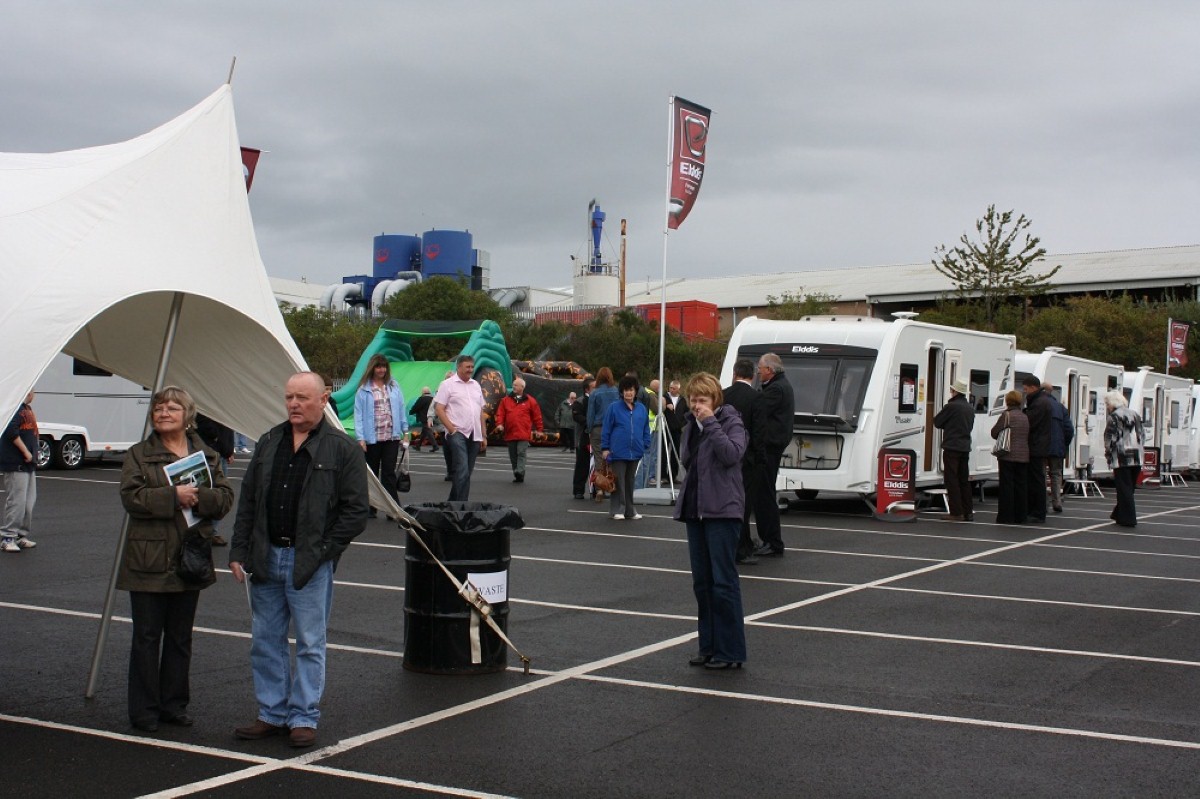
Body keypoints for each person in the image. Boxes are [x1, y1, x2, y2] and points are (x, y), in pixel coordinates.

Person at [229, 372, 369, 748]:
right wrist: (238, 551)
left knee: (309, 642)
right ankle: (272, 714)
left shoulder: (343, 449)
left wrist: (324, 551)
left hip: (309, 563)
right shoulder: (269, 442)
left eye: (302, 398)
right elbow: (249, 502)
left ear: (323, 399)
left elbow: (356, 512)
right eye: (289, 397)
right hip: (265, 557)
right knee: (266, 640)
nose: (293, 404)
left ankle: (303, 716)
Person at [118, 386, 234, 732]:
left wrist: (200, 499)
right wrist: (173, 495)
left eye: (171, 408)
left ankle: (174, 705)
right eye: (158, 408)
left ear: (188, 416)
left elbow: (226, 497)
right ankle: (143, 711)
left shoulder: (207, 455)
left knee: (181, 637)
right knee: (147, 637)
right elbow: (131, 497)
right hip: (148, 558)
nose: (163, 413)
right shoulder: (138, 455)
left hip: (190, 555)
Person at [674, 372, 748, 670]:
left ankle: (730, 651)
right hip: (696, 510)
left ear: (715, 400)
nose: (696, 405)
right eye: (693, 400)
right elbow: (687, 460)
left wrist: (711, 424)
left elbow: (731, 454)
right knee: (702, 583)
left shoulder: (731, 422)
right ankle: (708, 646)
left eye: (702, 400)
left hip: (723, 511)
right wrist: (694, 426)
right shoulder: (693, 424)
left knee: (723, 582)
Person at [751, 353, 795, 557]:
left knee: (764, 494)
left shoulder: (776, 389)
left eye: (760, 368)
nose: (758, 372)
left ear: (769, 370)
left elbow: (758, 408)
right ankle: (769, 539)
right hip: (773, 445)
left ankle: (772, 541)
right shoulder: (780, 386)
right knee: (764, 493)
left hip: (769, 446)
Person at [353, 354, 409, 512]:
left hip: (391, 436)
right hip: (372, 438)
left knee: (389, 473)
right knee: (372, 474)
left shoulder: (393, 386)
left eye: (384, 366)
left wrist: (405, 431)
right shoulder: (364, 389)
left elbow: (400, 408)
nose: (381, 370)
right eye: (378, 366)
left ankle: (394, 509)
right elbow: (358, 415)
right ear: (372, 368)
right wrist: (361, 438)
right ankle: (372, 506)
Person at [434, 355, 488, 501]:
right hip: (457, 432)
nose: (470, 370)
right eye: (467, 367)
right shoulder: (447, 385)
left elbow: (480, 412)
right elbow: (439, 408)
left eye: (472, 367)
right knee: (462, 468)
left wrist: (484, 435)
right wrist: (451, 429)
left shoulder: (476, 385)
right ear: (459, 367)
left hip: (474, 433)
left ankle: (454, 504)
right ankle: (461, 506)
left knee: (466, 472)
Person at [722, 359, 760, 564]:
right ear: (752, 376)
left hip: (726, 455)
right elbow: (759, 431)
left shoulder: (724, 395)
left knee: (728, 502)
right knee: (744, 505)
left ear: (735, 373)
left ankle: (730, 544)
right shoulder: (756, 398)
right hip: (748, 459)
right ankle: (743, 547)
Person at [601, 375, 652, 520]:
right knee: (618, 481)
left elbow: (645, 428)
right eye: (625, 390)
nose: (628, 393)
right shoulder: (613, 408)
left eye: (631, 390)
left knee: (630, 482)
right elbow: (606, 429)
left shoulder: (641, 409)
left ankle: (630, 510)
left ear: (636, 391)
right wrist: (605, 448)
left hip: (635, 451)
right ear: (621, 392)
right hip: (617, 451)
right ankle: (618, 509)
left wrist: (645, 443)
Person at [1, 391, 39, 552]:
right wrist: (25, 452)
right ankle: (7, 536)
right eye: (32, 390)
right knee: (17, 501)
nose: (34, 393)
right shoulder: (14, 408)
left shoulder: (27, 409)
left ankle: (20, 535)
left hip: (28, 465)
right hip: (16, 463)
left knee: (28, 502)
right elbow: (11, 431)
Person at [933, 377, 975, 521]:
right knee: (964, 479)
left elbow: (937, 422)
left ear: (955, 391)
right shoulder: (970, 407)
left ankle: (956, 512)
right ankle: (968, 511)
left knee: (952, 479)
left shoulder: (951, 406)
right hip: (965, 446)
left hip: (952, 446)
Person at [194, 412, 235, 546]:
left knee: (220, 494)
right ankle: (206, 531)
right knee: (208, 491)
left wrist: (229, 449)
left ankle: (212, 531)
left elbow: (229, 429)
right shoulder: (209, 405)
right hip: (212, 450)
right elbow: (204, 422)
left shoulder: (224, 406)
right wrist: (218, 441)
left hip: (221, 450)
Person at [1104, 390, 1143, 528]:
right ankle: (1119, 513)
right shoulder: (1135, 414)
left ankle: (1128, 518)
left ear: (1113, 403)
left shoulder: (1114, 417)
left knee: (1123, 488)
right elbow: (1141, 434)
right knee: (1129, 487)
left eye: (1107, 403)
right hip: (1137, 456)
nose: (1107, 407)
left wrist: (1108, 453)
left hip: (1121, 456)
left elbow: (1110, 437)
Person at [495, 377, 543, 484]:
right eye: (513, 385)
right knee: (513, 455)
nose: (514, 387)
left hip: (523, 433)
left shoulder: (530, 401)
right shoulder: (505, 400)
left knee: (521, 452)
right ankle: (517, 474)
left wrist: (539, 430)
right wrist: (499, 424)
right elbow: (500, 414)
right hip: (510, 432)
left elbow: (537, 416)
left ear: (522, 387)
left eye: (516, 385)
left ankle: (520, 471)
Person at [992, 390, 1030, 525]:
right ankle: (1021, 516)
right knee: (1021, 486)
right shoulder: (1025, 416)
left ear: (1008, 401)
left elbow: (994, 432)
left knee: (1007, 487)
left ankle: (1006, 516)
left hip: (1008, 455)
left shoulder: (1006, 415)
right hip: (1024, 456)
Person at [1022, 375, 1051, 523]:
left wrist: (1023, 415)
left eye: (1026, 389)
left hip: (1036, 446)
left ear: (1033, 387)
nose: (1025, 392)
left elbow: (1030, 422)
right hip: (1040, 445)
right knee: (1037, 479)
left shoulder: (1038, 403)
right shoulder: (1044, 401)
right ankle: (1037, 510)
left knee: (1036, 480)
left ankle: (1037, 511)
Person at [1044, 381, 1073, 513]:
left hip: (1041, 446)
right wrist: (1064, 444)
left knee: (1042, 474)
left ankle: (1043, 502)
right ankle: (1057, 501)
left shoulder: (1038, 404)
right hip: (1057, 447)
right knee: (1056, 474)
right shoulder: (1061, 408)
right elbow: (1069, 429)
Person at [635, 379, 659, 489]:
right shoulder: (651, 395)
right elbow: (657, 409)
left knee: (645, 456)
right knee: (648, 455)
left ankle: (643, 482)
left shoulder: (643, 392)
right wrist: (662, 404)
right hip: (651, 428)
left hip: (646, 427)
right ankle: (648, 478)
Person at [571, 380, 593, 499]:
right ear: (587, 389)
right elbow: (576, 416)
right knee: (582, 465)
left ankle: (596, 488)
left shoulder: (598, 399)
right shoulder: (580, 401)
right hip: (583, 437)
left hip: (596, 437)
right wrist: (590, 423)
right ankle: (578, 490)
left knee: (596, 464)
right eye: (594, 387)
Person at [409, 387, 438, 452]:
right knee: (424, 432)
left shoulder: (422, 399)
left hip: (424, 418)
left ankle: (435, 445)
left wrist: (411, 412)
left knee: (428, 431)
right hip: (432, 417)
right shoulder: (433, 398)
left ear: (422, 392)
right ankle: (418, 445)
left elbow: (416, 407)